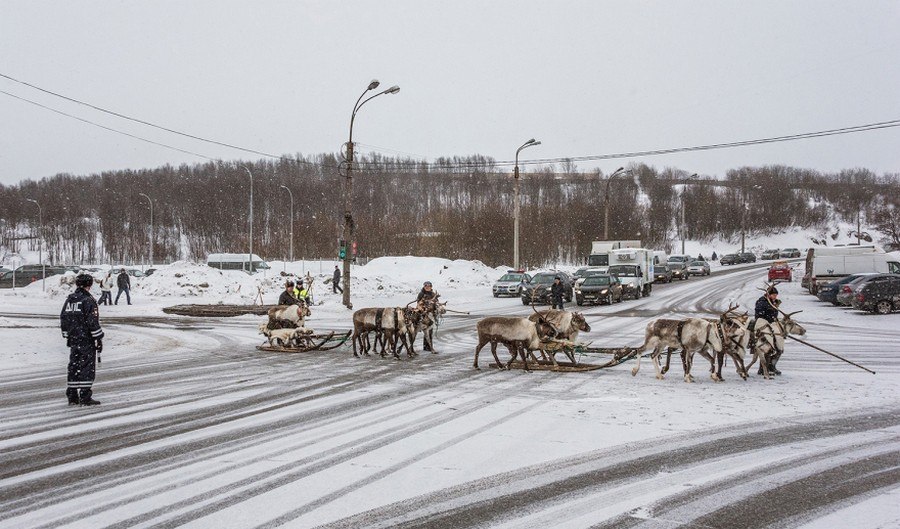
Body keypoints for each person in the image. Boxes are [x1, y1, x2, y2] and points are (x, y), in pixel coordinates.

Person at [60, 273, 104, 406]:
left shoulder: (70, 299)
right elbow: (92, 321)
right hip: (86, 339)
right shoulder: (88, 300)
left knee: (74, 366)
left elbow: (64, 318)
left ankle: (72, 395)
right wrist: (98, 337)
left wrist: (67, 335)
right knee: (86, 366)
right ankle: (85, 396)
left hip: (74, 339)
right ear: (89, 285)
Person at [753, 286, 781, 375]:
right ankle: (764, 368)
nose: (775, 297)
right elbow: (759, 315)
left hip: (772, 326)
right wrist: (768, 317)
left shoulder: (773, 302)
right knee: (767, 349)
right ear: (769, 294)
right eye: (773, 295)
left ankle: (772, 366)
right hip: (763, 326)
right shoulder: (762, 302)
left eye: (776, 295)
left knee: (778, 348)